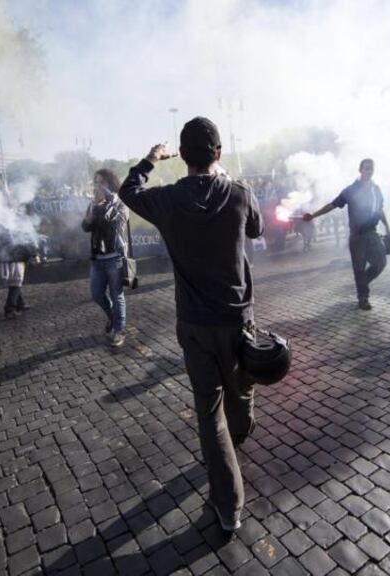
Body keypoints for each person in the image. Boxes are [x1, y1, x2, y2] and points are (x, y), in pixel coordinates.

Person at [118, 117, 263, 532]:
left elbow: (128, 191)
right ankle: (243, 426)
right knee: (241, 392)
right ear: (218, 154)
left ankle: (228, 507)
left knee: (209, 413)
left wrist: (149, 160)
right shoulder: (239, 193)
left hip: (196, 324)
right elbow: (258, 228)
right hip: (238, 319)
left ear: (181, 157)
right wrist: (235, 185)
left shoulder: (167, 200)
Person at [302, 159, 390, 310]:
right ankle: (363, 298)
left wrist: (388, 229)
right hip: (357, 236)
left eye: (371, 168)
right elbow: (332, 205)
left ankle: (362, 282)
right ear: (360, 170)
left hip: (373, 234)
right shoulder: (351, 190)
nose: (369, 171)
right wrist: (313, 215)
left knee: (381, 262)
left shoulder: (376, 189)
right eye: (366, 168)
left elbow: (380, 210)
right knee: (359, 269)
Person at [81, 168, 130, 347]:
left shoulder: (120, 204)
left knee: (117, 296)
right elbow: (85, 227)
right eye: (96, 182)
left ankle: (120, 329)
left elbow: (115, 225)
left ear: (110, 183)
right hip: (97, 258)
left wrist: (104, 204)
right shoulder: (93, 204)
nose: (97, 185)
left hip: (115, 257)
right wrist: (91, 213)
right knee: (96, 294)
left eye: (101, 182)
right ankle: (112, 317)